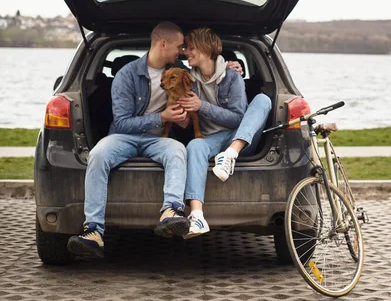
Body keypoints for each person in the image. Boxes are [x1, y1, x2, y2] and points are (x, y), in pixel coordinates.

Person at [67, 21, 191, 258]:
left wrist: (231, 67)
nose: (182, 51)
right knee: (98, 154)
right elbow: (122, 122)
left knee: (177, 150)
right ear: (163, 44)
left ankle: (171, 213)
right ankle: (93, 231)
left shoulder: (180, 71)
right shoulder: (126, 75)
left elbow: (207, 77)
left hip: (157, 140)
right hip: (124, 137)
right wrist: (161, 117)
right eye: (179, 46)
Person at [177, 27, 271, 239]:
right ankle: (197, 216)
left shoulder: (232, 77)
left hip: (242, 137)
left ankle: (230, 155)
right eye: (185, 48)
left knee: (263, 100)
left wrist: (202, 106)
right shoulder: (187, 79)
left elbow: (237, 118)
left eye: (191, 47)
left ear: (205, 48)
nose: (186, 52)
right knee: (194, 145)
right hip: (212, 140)